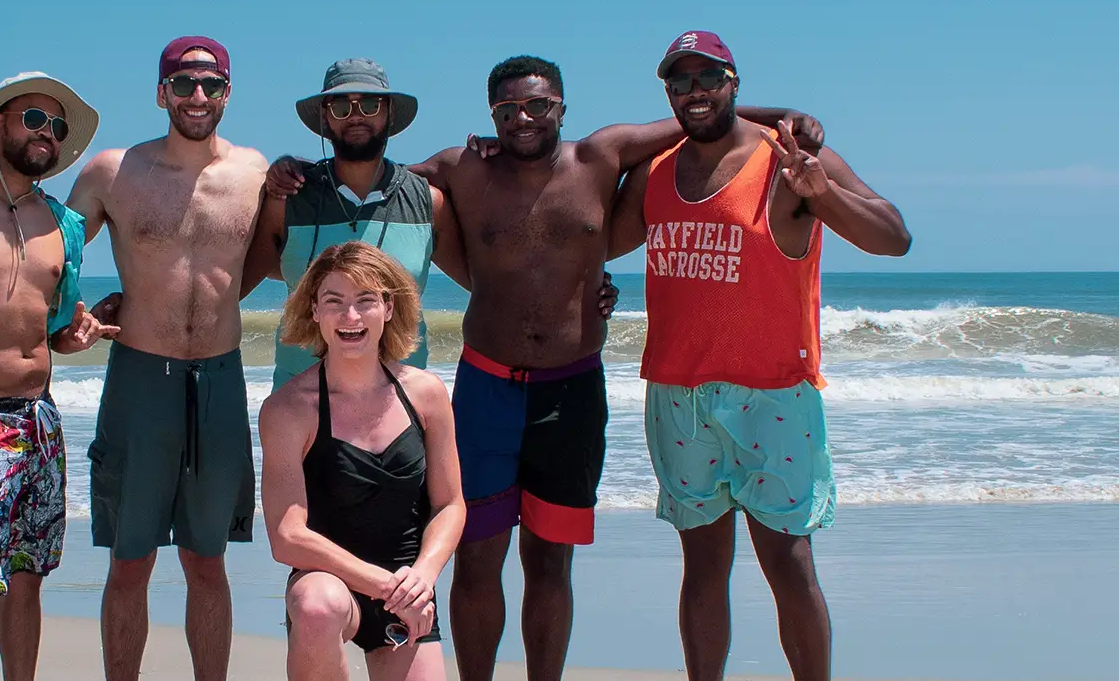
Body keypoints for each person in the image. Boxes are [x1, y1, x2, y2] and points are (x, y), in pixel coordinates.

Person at [270, 54, 818, 681]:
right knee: (476, 555)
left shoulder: (601, 157)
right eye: (507, 110)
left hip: (571, 388)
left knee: (551, 562)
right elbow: (373, 175)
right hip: (487, 385)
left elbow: (692, 119)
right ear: (491, 116)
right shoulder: (464, 168)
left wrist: (780, 118)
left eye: (538, 106)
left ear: (562, 106)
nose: (523, 119)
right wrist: (292, 175)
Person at [607, 31, 911, 681]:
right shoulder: (656, 172)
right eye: (679, 80)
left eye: (708, 77)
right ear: (667, 91)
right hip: (678, 396)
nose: (694, 92)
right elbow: (589, 238)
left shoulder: (786, 158)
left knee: (789, 564)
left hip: (772, 392)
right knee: (703, 567)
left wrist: (822, 193)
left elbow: (894, 238)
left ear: (734, 81)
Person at [64, 36, 268, 681]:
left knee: (208, 560)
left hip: (220, 378)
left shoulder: (257, 174)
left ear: (229, 93)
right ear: (161, 94)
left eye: (211, 85)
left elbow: (302, 247)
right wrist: (71, 319)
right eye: (183, 85)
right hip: (139, 376)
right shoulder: (112, 172)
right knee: (131, 560)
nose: (198, 97)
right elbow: (47, 253)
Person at [0, 72, 117, 681]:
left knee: (29, 579)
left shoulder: (63, 225)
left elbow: (56, 329)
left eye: (57, 127)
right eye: (34, 119)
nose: (47, 134)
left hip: (40, 419)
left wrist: (78, 336)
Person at [260, 241, 465, 681]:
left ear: (388, 308)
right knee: (317, 605)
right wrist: (383, 585)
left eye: (365, 301)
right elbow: (287, 537)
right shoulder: (288, 409)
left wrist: (422, 578)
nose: (350, 317)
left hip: (407, 587)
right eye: (334, 302)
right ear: (314, 311)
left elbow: (450, 504)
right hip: (330, 586)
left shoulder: (426, 394)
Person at [243, 58, 466, 388]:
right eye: (341, 107)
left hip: (399, 404)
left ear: (389, 113)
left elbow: (485, 286)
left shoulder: (428, 204)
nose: (356, 115)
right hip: (302, 405)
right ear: (325, 117)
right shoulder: (288, 201)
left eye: (370, 104)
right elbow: (230, 290)